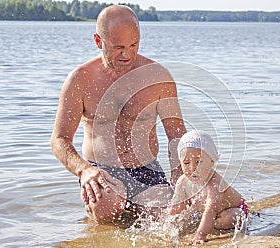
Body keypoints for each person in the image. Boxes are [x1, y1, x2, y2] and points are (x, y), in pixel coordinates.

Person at [50, 5, 186, 224]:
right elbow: (59, 140)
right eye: (118, 47)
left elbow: (176, 135)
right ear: (98, 41)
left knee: (170, 221)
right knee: (106, 208)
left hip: (146, 170)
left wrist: (180, 173)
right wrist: (84, 171)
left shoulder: (157, 77)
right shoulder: (80, 80)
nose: (127, 54)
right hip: (101, 172)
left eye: (134, 45)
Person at [168, 130, 248, 245]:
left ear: (212, 161)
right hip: (210, 214)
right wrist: (167, 226)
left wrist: (200, 234)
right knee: (186, 217)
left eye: (198, 162)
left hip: (236, 210)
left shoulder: (214, 182)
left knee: (226, 219)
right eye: (186, 163)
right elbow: (175, 208)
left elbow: (211, 209)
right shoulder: (182, 182)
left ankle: (210, 226)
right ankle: (208, 224)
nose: (192, 168)